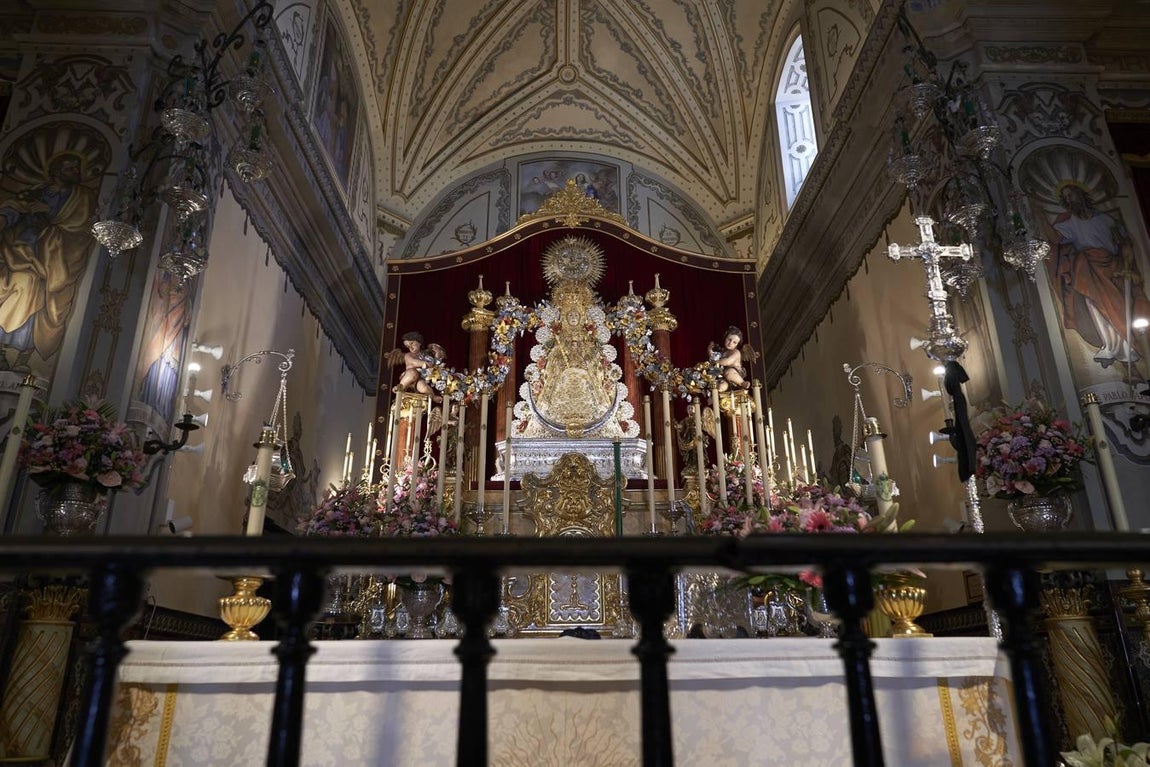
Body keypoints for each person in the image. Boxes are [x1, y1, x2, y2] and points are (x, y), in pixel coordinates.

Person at [0, 151, 98, 368]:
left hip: (53, 259)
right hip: (22, 249)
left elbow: (81, 227)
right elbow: (17, 205)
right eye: (70, 168)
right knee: (16, 285)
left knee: (35, 292)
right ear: (56, 170)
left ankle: (22, 356)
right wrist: (6, 216)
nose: (75, 172)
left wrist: (49, 214)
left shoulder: (83, 197)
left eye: (76, 168)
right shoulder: (39, 191)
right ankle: (4, 351)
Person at [1052, 181, 1150, 370]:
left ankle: (1127, 346)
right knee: (1094, 304)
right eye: (1065, 198)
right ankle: (1110, 347)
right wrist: (1038, 218)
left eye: (1070, 194)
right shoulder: (1070, 224)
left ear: (1081, 194)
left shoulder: (1106, 219)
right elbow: (1054, 240)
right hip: (1088, 267)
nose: (1069, 199)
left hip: (1112, 266)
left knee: (1118, 305)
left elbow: (1125, 244)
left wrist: (1128, 265)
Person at [708, 326, 750, 391]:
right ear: (725, 337)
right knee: (721, 384)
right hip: (723, 376)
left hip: (735, 373)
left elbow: (727, 362)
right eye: (729, 339)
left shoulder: (736, 352)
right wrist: (710, 350)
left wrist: (716, 361)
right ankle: (717, 393)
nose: (730, 343)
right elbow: (712, 358)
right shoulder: (722, 351)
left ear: (737, 345)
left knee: (729, 372)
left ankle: (742, 383)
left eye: (734, 342)